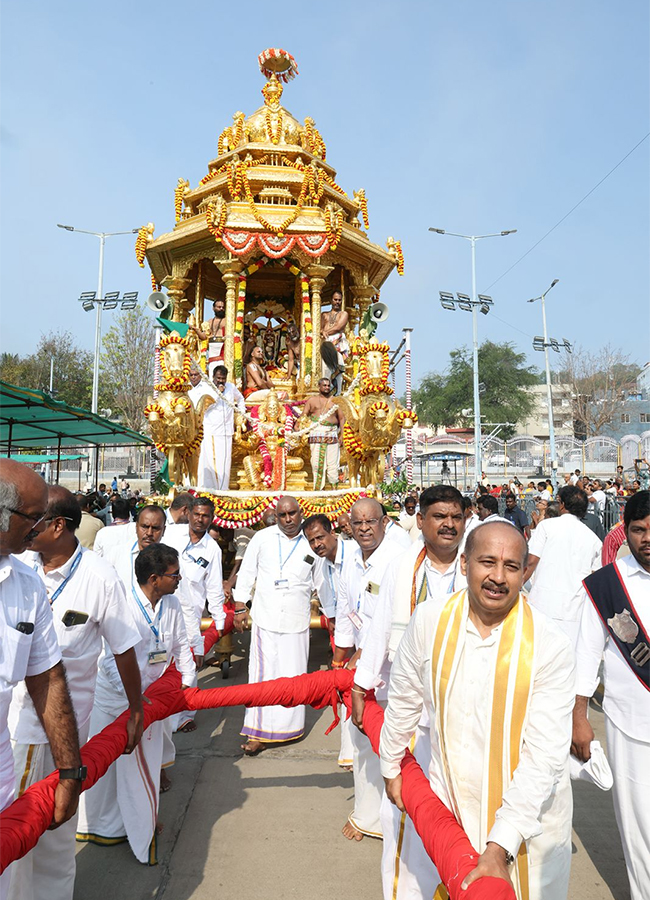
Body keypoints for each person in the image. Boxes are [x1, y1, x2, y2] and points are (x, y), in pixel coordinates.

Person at [380, 522, 576, 899]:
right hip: (450, 803)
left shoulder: (551, 645)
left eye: (511, 566)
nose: (498, 577)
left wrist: (499, 845)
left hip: (526, 824)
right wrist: (390, 766)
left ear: (525, 572)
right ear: (465, 563)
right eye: (487, 562)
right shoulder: (430, 620)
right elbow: (403, 697)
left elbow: (544, 757)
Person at [7, 486, 144, 900]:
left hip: (58, 730)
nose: (26, 529)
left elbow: (124, 649)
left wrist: (136, 710)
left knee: (52, 834)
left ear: (59, 526)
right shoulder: (17, 569)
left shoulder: (99, 577)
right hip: (11, 727)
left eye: (34, 521)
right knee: (17, 836)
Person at [353, 486, 468, 900]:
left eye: (456, 516)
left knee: (460, 806)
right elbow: (379, 625)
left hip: (464, 707)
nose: (449, 524)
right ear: (420, 521)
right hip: (411, 708)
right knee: (403, 805)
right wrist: (361, 685)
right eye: (439, 516)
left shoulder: (478, 566)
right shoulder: (403, 567)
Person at [76, 543, 195, 864]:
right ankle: (97, 826)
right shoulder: (123, 603)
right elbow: (114, 657)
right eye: (174, 575)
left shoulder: (171, 604)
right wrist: (133, 699)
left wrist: (186, 686)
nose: (180, 579)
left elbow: (182, 646)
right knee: (104, 767)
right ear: (154, 579)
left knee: (140, 768)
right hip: (114, 699)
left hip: (151, 703)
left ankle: (141, 824)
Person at [0, 461, 83, 899]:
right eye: (32, 517)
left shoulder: (27, 585)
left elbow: (49, 680)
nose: (38, 529)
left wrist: (69, 771)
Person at [572, 490, 650, 900]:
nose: (647, 539)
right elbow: (586, 653)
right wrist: (579, 717)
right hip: (630, 720)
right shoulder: (606, 585)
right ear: (626, 531)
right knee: (640, 827)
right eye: (638, 530)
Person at [333, 498, 405, 841]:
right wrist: (339, 658)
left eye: (370, 522)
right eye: (357, 523)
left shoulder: (398, 558)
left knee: (396, 745)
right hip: (360, 670)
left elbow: (395, 618)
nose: (364, 529)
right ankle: (366, 817)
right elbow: (346, 609)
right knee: (361, 740)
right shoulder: (350, 560)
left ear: (384, 522)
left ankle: (395, 819)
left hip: (392, 667)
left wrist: (363, 652)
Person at [234, 497, 320, 755]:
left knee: (293, 675)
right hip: (266, 618)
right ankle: (258, 732)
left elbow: (322, 582)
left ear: (300, 512)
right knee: (263, 676)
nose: (288, 520)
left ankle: (290, 729)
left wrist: (334, 614)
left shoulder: (312, 541)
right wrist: (240, 605)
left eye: (292, 513)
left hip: (297, 619)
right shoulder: (262, 538)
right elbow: (247, 571)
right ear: (276, 516)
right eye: (282, 515)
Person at [164, 497, 228, 731]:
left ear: (212, 518)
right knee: (162, 663)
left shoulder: (212, 549)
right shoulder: (170, 534)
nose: (200, 520)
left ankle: (184, 716)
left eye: (206, 516)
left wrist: (219, 618)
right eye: (197, 514)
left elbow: (213, 586)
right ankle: (163, 715)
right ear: (188, 513)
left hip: (189, 614)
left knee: (189, 665)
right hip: (163, 606)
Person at [303, 514, 354, 770]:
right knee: (346, 690)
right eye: (312, 541)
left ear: (332, 532)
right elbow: (328, 599)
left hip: (364, 634)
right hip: (342, 633)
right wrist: (332, 618)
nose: (317, 545)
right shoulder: (321, 564)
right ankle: (349, 753)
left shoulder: (356, 554)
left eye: (320, 537)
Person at [524, 485, 602, 646]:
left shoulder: (546, 526)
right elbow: (595, 579)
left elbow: (531, 561)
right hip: (574, 609)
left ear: (562, 504)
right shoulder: (593, 540)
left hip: (542, 603)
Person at [196, 365, 246, 491]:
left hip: (226, 432)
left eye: (223, 378)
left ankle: (223, 489)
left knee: (225, 462)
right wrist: (218, 392)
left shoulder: (231, 387)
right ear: (213, 377)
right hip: (211, 432)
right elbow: (205, 407)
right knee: (213, 462)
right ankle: (213, 489)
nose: (221, 381)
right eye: (218, 378)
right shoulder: (206, 388)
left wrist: (241, 412)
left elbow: (240, 399)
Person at [302, 378, 344, 490]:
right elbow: (303, 416)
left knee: (333, 466)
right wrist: (299, 429)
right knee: (316, 465)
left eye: (328, 385)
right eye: (324, 385)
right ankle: (319, 490)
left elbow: (342, 418)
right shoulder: (312, 400)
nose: (327, 387)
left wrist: (342, 435)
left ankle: (334, 490)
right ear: (319, 386)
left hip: (332, 434)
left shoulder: (335, 401)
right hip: (316, 433)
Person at [189, 297, 226, 376]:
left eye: (223, 307)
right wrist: (195, 329)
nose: (221, 309)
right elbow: (204, 337)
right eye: (219, 307)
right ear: (213, 308)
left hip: (223, 351)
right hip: (212, 352)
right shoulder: (209, 321)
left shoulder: (226, 320)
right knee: (212, 375)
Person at [320, 291, 349, 386]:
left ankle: (336, 393)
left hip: (336, 346)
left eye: (339, 300)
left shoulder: (343, 314)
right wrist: (321, 331)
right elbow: (319, 328)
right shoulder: (324, 315)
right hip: (324, 345)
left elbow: (338, 327)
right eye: (335, 299)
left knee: (337, 368)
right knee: (324, 370)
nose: (337, 302)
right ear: (331, 300)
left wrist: (325, 332)